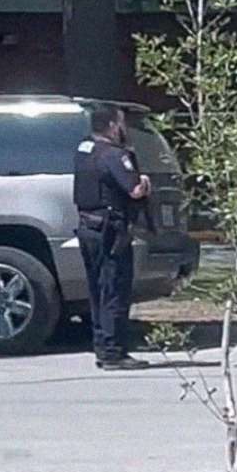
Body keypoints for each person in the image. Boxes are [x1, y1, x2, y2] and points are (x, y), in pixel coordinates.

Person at [73, 104, 152, 371]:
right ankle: (113, 352)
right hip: (110, 232)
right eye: (121, 124)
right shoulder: (114, 155)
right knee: (114, 290)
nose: (124, 129)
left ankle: (101, 347)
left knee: (97, 291)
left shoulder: (84, 150)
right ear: (111, 126)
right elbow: (134, 191)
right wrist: (144, 183)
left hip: (88, 228)